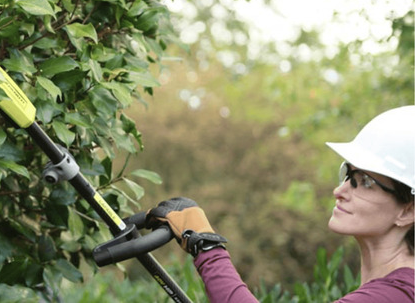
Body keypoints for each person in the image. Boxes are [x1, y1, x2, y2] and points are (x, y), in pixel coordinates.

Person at [145, 105, 415, 302]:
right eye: (348, 174)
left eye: (365, 182)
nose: (339, 191)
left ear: (408, 210)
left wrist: (206, 246)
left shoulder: (398, 294)